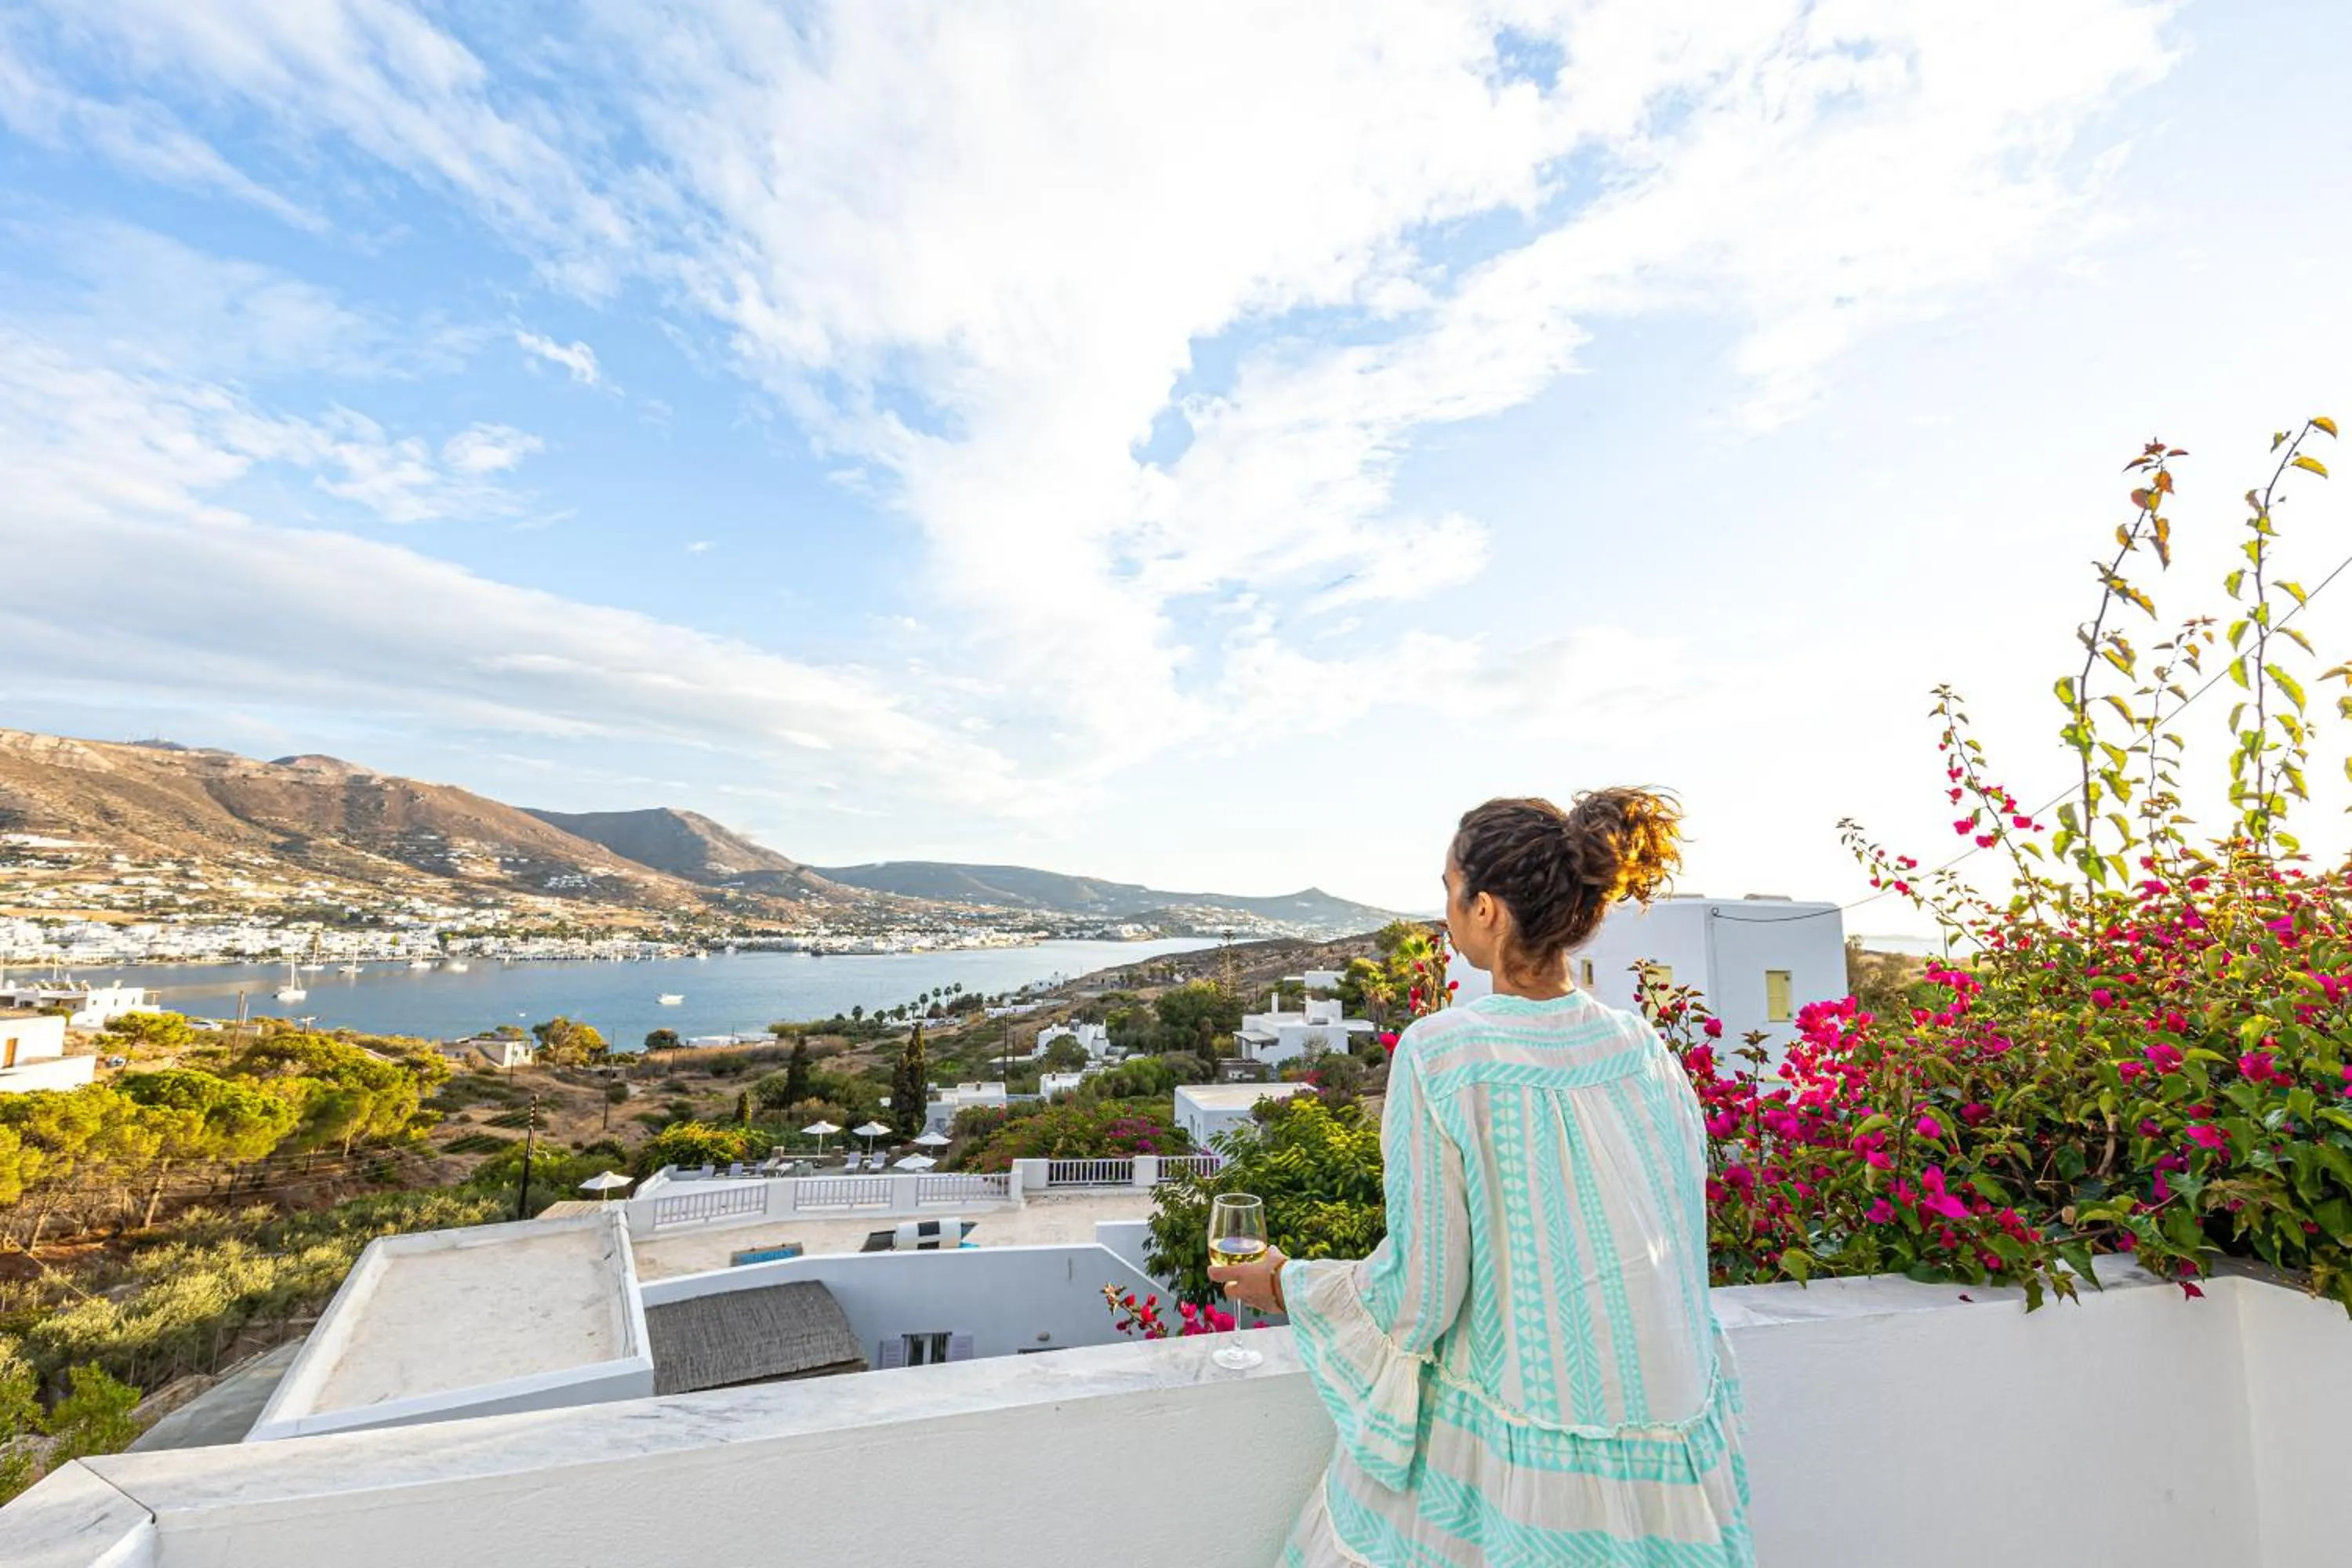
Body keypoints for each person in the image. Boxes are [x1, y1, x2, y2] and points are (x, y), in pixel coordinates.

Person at [1210, 790, 1752, 1566]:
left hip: (1521, 1460)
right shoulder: (1640, 1043)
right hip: (1670, 1446)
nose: (1445, 911)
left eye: (1449, 889)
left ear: (1488, 909)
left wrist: (1289, 1283)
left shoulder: (1443, 1052)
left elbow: (1420, 1296)